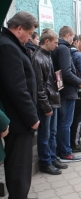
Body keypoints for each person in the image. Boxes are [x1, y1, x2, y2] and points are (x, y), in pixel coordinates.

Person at [0, 11, 40, 198]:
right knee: (19, 170)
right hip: (18, 121)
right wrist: (32, 117)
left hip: (18, 119)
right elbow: (16, 88)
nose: (30, 38)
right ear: (19, 29)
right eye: (30, 33)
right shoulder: (8, 47)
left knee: (20, 170)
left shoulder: (11, 44)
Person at [31, 28, 68, 175]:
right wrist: (46, 106)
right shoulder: (37, 58)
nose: (57, 45)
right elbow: (39, 87)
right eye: (55, 42)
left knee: (52, 132)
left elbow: (48, 81)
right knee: (45, 134)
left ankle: (52, 157)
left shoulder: (47, 55)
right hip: (47, 102)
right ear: (47, 41)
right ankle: (46, 162)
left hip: (53, 98)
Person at [52, 26, 81, 162]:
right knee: (66, 123)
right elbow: (66, 72)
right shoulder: (64, 48)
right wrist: (79, 82)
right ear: (68, 35)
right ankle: (65, 152)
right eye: (73, 36)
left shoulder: (56, 48)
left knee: (61, 123)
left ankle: (61, 150)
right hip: (67, 91)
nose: (73, 39)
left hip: (60, 89)